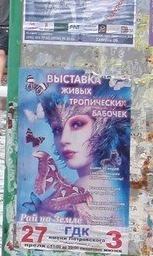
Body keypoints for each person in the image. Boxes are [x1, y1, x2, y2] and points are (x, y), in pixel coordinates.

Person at [34, 81, 130, 224]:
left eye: (77, 124)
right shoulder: (115, 181)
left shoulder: (84, 187)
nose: (64, 139)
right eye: (57, 130)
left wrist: (42, 209)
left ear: (104, 126)